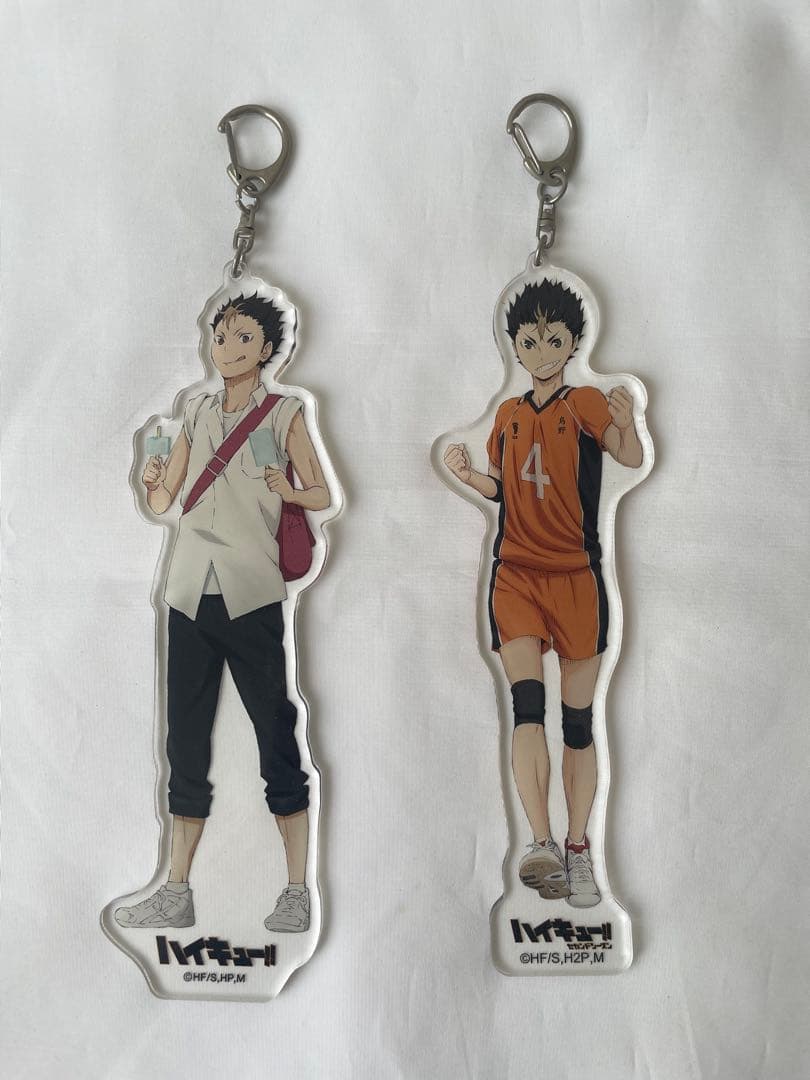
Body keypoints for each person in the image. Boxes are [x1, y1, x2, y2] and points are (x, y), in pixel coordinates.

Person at [114, 292, 331, 933]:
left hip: (251, 590)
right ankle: (175, 888)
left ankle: (297, 889)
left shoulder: (284, 412)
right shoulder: (195, 410)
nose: (226, 347)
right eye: (220, 335)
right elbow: (164, 502)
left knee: (275, 729)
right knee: (184, 740)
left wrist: (287, 490)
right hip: (189, 589)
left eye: (242, 338)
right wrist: (152, 479)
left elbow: (322, 492)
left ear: (266, 350)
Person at [443, 279, 643, 908]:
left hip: (577, 577)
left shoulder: (584, 403)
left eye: (554, 339)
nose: (542, 351)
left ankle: (580, 847)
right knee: (526, 707)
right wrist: (468, 476)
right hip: (516, 576)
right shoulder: (506, 415)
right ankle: (541, 843)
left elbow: (631, 457)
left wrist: (626, 422)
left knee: (577, 724)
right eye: (530, 341)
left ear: (574, 342)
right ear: (515, 347)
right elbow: (505, 490)